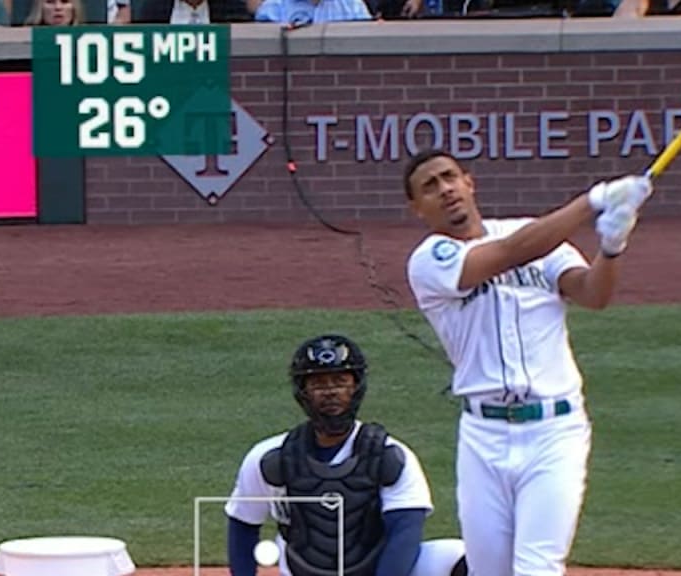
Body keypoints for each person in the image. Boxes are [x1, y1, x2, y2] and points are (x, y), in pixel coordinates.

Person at [403, 149, 652, 576]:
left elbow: (593, 294)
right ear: (417, 209)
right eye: (430, 186)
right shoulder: (430, 261)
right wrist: (593, 200)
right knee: (490, 570)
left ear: (469, 182)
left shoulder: (534, 236)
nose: (445, 190)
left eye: (449, 177)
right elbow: (505, 255)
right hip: (483, 436)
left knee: (538, 567)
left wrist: (612, 247)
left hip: (554, 432)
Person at [224, 333, 468, 576]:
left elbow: (404, 534)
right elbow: (243, 525)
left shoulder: (390, 455)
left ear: (356, 387)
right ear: (303, 392)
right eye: (318, 383)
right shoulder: (270, 458)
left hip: (377, 571)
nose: (330, 391)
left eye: (340, 381)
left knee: (462, 556)